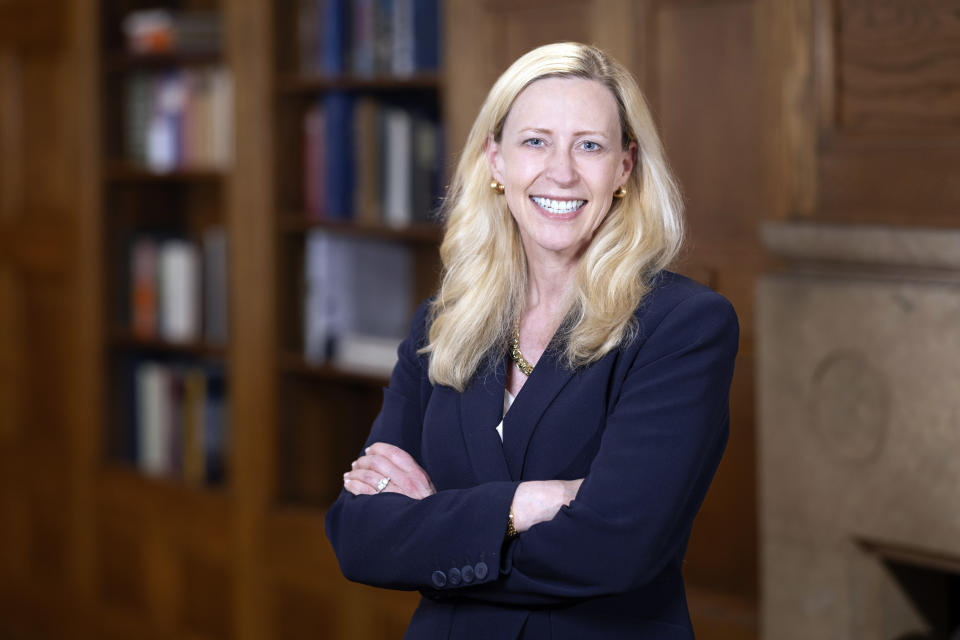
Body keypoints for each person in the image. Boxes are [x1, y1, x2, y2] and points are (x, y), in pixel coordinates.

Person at [326, 42, 739, 639]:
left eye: (589, 146)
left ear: (624, 168)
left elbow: (616, 550)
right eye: (535, 141)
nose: (562, 171)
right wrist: (526, 505)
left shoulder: (682, 326)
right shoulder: (443, 323)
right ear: (495, 161)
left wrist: (430, 527)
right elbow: (359, 537)